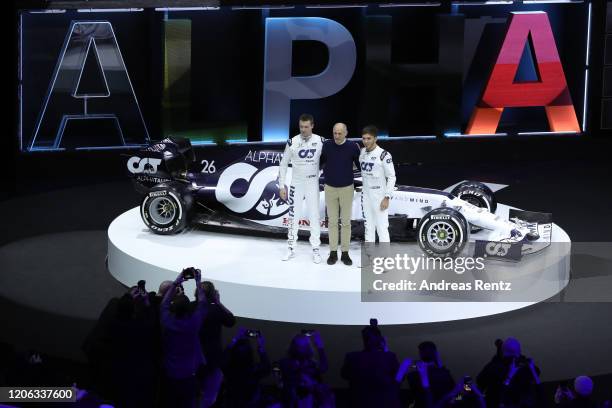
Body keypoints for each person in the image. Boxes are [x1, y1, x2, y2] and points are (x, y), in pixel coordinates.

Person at [278, 113, 325, 263]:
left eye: (306, 127)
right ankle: (291, 248)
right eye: (301, 127)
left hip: (312, 184)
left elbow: (332, 158)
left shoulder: (321, 141)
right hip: (296, 184)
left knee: (314, 217)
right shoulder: (292, 142)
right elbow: (283, 164)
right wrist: (281, 185)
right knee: (293, 217)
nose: (303, 129)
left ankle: (316, 249)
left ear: (312, 125)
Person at [160, 267, 208, 408]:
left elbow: (164, 303)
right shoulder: (193, 324)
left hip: (170, 373)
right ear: (189, 309)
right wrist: (198, 281)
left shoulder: (167, 321)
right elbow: (203, 302)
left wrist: (178, 280)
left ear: (173, 308)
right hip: (188, 374)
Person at [320, 123, 360, 266]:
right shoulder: (326, 145)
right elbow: (321, 162)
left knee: (346, 222)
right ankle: (332, 252)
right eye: (335, 133)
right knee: (332, 222)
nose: (337, 136)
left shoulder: (353, 147)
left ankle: (345, 253)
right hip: (330, 188)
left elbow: (360, 166)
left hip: (347, 189)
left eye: (340, 133)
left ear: (346, 133)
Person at [341, 320, 400, 407]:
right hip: (383, 402)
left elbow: (345, 375)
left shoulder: (352, 357)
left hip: (359, 402)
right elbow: (397, 378)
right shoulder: (389, 356)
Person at [196, 281, 236, 408]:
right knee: (209, 394)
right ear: (213, 294)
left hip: (192, 355)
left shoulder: (190, 307)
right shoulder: (215, 309)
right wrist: (218, 303)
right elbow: (231, 320)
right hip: (211, 358)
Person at [476, 337, 544, 408]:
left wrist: (497, 359)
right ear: (519, 351)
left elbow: (480, 381)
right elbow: (537, 374)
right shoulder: (527, 367)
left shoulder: (493, 367)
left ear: (503, 352)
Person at [359, 125, 396, 244]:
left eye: (368, 138)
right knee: (368, 226)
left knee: (381, 227)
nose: (365, 141)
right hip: (366, 195)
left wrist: (387, 197)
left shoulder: (384, 155)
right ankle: (369, 256)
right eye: (363, 138)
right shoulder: (362, 152)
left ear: (375, 138)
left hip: (379, 195)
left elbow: (391, 177)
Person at [279, 331, 333, 407]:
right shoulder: (285, 362)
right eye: (299, 346)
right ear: (294, 346)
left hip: (310, 399)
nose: (302, 349)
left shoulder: (311, 363)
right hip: (293, 399)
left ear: (307, 347)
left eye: (304, 346)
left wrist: (320, 347)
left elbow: (323, 368)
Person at [222, 328, 271, 407]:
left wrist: (235, 339)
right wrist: (261, 347)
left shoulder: (229, 369)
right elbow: (267, 368)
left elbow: (222, 360)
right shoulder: (254, 370)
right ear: (250, 353)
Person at [396, 341, 455, 408]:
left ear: (420, 354)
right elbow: (453, 393)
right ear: (435, 354)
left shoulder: (413, 376)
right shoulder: (445, 374)